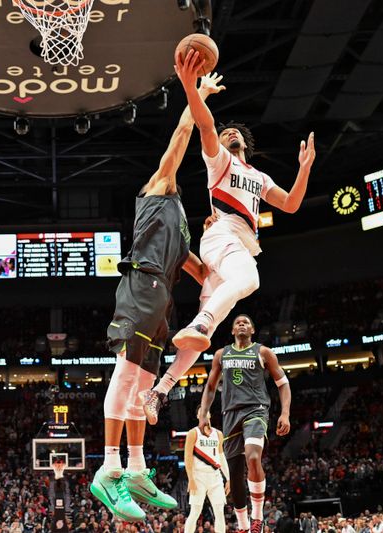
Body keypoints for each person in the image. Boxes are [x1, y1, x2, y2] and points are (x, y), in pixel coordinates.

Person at [89, 56, 225, 523]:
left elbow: (203, 273)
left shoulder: (184, 228)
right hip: (140, 284)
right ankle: (108, 469)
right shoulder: (158, 189)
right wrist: (197, 96)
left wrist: (220, 235)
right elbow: (181, 138)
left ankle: (136, 469)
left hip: (161, 300)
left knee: (144, 385)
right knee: (126, 378)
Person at [147, 48, 314, 401]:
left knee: (198, 343)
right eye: (226, 134)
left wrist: (304, 169)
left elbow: (292, 204)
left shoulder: (259, 175)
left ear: (245, 144)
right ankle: (201, 322)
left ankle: (160, 391)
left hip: (230, 249)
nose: (230, 134)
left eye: (235, 133)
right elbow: (205, 124)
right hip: (221, 238)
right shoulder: (219, 161)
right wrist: (192, 88)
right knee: (248, 280)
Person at [197, 314, 292, 533]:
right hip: (230, 413)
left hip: (255, 410)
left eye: (246, 322)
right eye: (237, 322)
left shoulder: (263, 352)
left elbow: (283, 384)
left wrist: (285, 413)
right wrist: (203, 413)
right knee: (235, 474)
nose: (241, 324)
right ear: (232, 331)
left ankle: (257, 516)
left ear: (252, 330)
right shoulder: (221, 355)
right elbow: (210, 388)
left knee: (253, 455)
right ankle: (243, 526)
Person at [184, 408, 230, 533]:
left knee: (220, 512)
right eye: (201, 411)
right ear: (197, 415)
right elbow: (187, 457)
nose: (204, 413)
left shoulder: (218, 434)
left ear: (209, 414)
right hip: (198, 476)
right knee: (195, 512)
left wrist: (228, 478)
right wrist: (190, 479)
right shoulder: (193, 433)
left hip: (215, 476)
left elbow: (221, 456)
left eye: (206, 410)